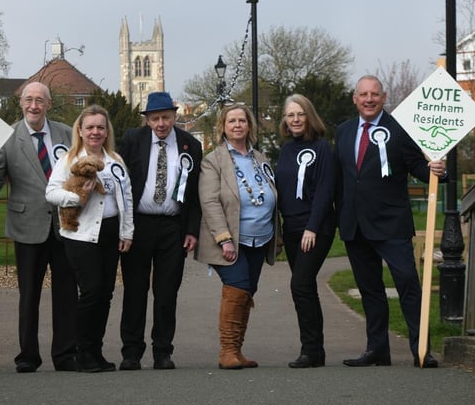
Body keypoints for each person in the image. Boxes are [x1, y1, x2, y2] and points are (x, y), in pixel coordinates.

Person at [0, 81, 77, 373]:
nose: (34, 105)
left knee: (66, 294)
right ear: (21, 103)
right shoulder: (8, 137)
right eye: (29, 100)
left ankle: (65, 354)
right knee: (29, 295)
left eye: (40, 100)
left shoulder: (66, 133)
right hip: (27, 225)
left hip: (65, 225)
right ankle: (28, 355)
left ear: (49, 104)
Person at [334, 75, 446, 369]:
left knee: (408, 283)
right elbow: (341, 177)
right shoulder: (343, 132)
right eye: (363, 94)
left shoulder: (399, 129)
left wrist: (436, 168)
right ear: (354, 99)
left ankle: (421, 349)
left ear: (383, 98)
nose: (369, 99)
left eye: (375, 94)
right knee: (370, 290)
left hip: (391, 223)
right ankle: (377, 350)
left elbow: (418, 167)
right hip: (355, 226)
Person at [45, 105, 133, 372]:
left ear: (107, 131)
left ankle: (96, 351)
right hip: (81, 234)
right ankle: (82, 351)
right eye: (90, 127)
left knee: (105, 294)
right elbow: (51, 193)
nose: (96, 132)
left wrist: (126, 231)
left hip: (109, 231)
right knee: (91, 291)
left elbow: (126, 196)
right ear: (80, 132)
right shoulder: (69, 159)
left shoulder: (115, 160)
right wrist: (78, 196)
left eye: (101, 127)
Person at [118, 92, 202, 370]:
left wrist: (192, 229)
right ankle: (131, 352)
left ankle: (163, 351)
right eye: (155, 118)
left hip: (172, 227)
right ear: (147, 120)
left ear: (175, 116)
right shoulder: (133, 140)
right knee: (135, 290)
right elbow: (121, 180)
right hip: (139, 224)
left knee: (167, 292)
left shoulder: (190, 144)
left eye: (166, 117)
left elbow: (194, 194)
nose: (161, 124)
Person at [196, 103, 278, 369]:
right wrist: (224, 238)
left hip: (260, 238)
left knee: (247, 291)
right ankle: (227, 351)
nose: (237, 125)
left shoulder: (261, 159)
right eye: (231, 121)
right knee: (238, 287)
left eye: (242, 120)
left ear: (249, 126)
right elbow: (209, 202)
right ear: (223, 126)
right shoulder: (214, 160)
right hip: (230, 241)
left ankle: (237, 350)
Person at [275, 94, 335, 368]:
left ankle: (310, 349)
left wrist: (312, 227)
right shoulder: (286, 150)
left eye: (300, 114)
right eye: (290, 115)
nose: (295, 119)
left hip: (315, 228)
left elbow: (325, 190)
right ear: (285, 120)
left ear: (309, 116)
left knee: (300, 284)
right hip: (291, 227)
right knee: (305, 288)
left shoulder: (322, 149)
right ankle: (315, 351)